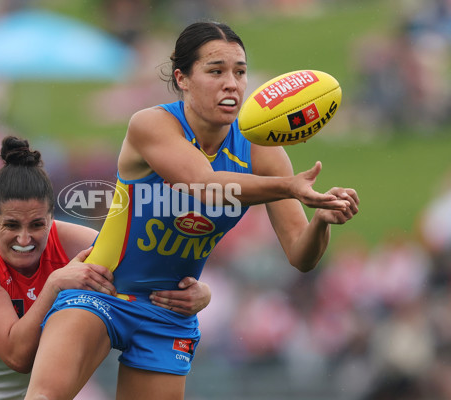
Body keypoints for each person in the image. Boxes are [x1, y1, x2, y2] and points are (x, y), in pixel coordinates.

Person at [25, 20, 359, 400]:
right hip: (100, 292)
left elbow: (301, 255)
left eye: (240, 72)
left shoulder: (262, 151)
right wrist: (289, 187)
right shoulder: (152, 125)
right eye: (215, 71)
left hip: (170, 313)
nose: (231, 83)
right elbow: (204, 185)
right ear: (182, 78)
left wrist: (321, 220)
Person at [0, 136, 213, 400]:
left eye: (37, 225)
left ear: (51, 218)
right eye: (10, 225)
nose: (24, 238)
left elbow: (143, 267)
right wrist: (55, 284)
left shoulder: (70, 242)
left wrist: (201, 294)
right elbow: (17, 356)